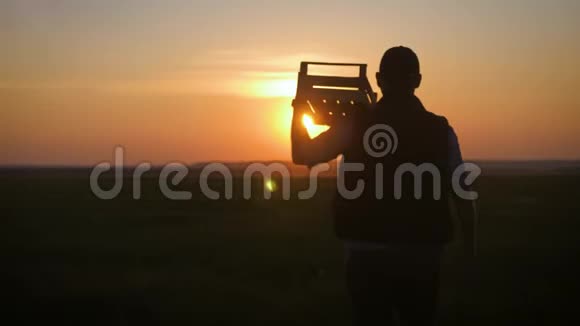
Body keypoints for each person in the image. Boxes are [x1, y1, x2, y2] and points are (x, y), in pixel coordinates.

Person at [291, 46, 477, 326]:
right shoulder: (440, 130)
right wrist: (470, 250)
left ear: (378, 79)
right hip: (422, 256)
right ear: (418, 80)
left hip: (365, 254)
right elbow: (463, 195)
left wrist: (299, 110)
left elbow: (303, 154)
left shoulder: (354, 126)